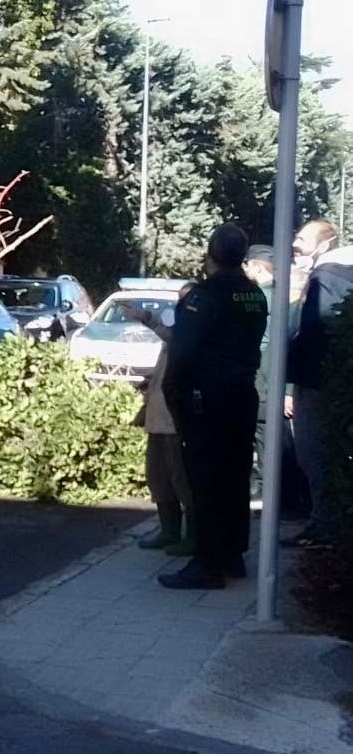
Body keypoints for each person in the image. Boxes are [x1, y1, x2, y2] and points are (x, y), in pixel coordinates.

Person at [158, 223, 268, 590]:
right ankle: (233, 554)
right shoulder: (255, 295)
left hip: (207, 400)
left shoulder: (204, 296)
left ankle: (206, 563)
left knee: (204, 480)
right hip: (242, 396)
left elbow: (183, 353)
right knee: (236, 477)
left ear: (211, 253)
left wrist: (174, 398)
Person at [284, 220, 353, 549]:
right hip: (326, 382)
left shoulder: (327, 276)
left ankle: (324, 525)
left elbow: (315, 331)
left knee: (313, 453)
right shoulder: (334, 274)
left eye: (301, 240)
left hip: (316, 383)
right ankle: (325, 521)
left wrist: (295, 373)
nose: (296, 247)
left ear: (324, 245)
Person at [125, 284, 196, 555]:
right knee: (157, 476)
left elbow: (173, 338)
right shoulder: (180, 333)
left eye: (185, 301)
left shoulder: (190, 333)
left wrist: (146, 318)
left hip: (174, 420)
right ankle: (168, 529)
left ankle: (191, 536)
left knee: (182, 478)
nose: (181, 307)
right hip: (157, 416)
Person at [244, 245, 311, 521]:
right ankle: (281, 500)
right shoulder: (283, 297)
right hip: (272, 381)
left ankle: (283, 503)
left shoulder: (261, 297)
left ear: (257, 267)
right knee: (275, 441)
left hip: (266, 379)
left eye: (247, 265)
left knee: (270, 443)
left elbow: (273, 345)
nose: (244, 271)